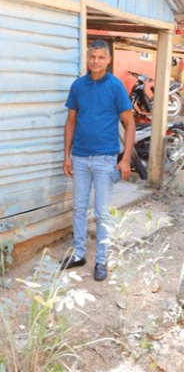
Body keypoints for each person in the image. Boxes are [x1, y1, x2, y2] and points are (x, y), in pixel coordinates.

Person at [62, 39, 135, 282]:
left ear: (108, 60)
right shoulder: (78, 86)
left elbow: (130, 123)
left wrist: (125, 160)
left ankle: (101, 260)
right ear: (88, 58)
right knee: (79, 208)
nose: (96, 61)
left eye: (101, 57)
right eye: (92, 57)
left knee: (102, 212)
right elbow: (71, 122)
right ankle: (80, 253)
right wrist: (67, 156)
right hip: (80, 158)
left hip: (105, 159)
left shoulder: (115, 87)